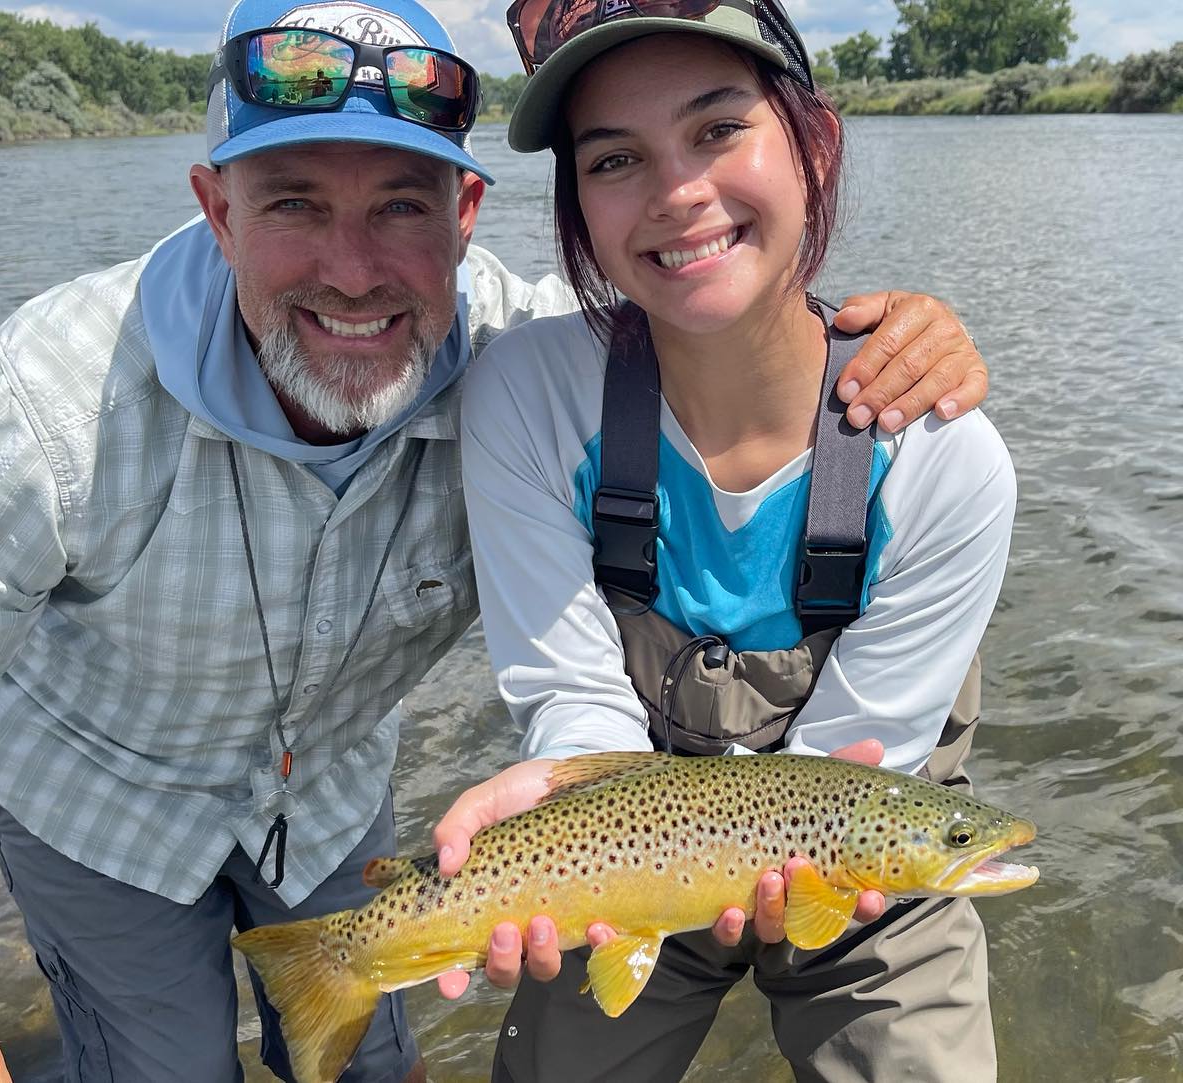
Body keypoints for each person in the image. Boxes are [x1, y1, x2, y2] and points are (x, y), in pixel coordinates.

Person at [0, 1, 993, 1081]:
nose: (354, 272)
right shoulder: (43, 404)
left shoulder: (521, 368)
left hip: (330, 807)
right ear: (215, 209)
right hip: (97, 812)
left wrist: (894, 338)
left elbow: (700, 305)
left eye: (402, 207)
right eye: (295, 204)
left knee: (375, 1057)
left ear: (468, 214)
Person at [435, 1, 1015, 1080]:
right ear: (577, 206)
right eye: (615, 158)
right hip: (621, 855)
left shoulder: (946, 456)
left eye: (718, 129)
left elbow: (857, 770)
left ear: (817, 144)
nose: (678, 194)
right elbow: (573, 696)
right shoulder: (525, 394)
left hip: (866, 863)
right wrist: (556, 808)